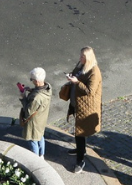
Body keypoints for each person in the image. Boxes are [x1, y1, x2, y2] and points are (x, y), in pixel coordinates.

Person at [61, 46, 101, 174]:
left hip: (86, 107)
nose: (80, 58)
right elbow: (75, 74)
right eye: (80, 55)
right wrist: (71, 77)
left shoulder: (94, 71)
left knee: (80, 133)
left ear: (88, 58)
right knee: (79, 132)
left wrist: (76, 82)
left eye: (82, 56)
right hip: (77, 104)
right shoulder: (81, 66)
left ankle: (80, 160)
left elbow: (90, 91)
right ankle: (81, 150)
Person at [19, 67, 52, 159]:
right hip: (42, 119)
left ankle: (36, 159)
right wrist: (32, 90)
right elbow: (40, 92)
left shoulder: (36, 98)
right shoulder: (48, 88)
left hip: (34, 122)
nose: (31, 81)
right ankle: (42, 155)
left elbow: (28, 111)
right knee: (40, 136)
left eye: (31, 79)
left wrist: (23, 97)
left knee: (33, 139)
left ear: (37, 81)